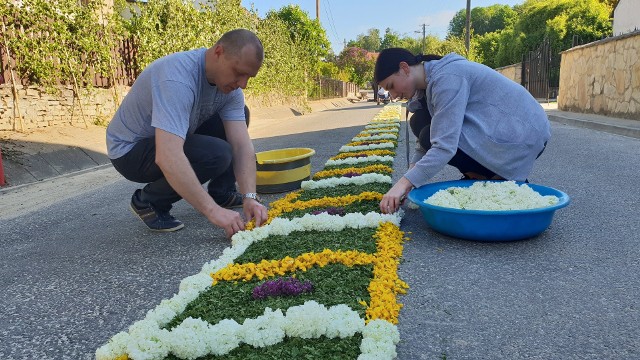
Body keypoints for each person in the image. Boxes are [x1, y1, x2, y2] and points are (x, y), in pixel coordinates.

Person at [106, 29, 268, 237]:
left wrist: (250, 196)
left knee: (239, 116)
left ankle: (222, 192)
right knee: (217, 153)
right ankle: (149, 201)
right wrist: (213, 212)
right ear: (218, 52)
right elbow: (168, 156)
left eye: (249, 77)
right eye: (239, 73)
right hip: (130, 151)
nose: (243, 84)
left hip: (166, 137)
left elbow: (241, 145)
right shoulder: (178, 79)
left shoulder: (231, 89)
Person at [374, 49, 551, 214]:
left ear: (404, 68)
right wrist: (409, 180)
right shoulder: (428, 85)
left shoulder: (447, 78)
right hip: (506, 131)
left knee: (430, 135)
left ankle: (499, 179)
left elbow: (444, 146)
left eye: (391, 86)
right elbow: (425, 142)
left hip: (523, 135)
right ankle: (481, 175)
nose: (394, 95)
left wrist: (403, 184)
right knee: (419, 121)